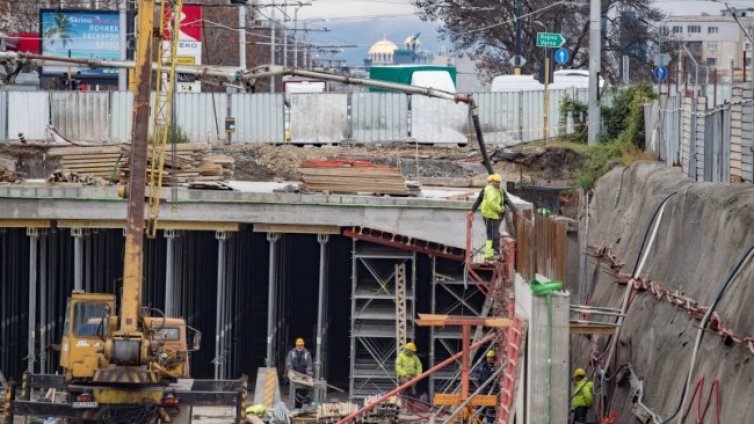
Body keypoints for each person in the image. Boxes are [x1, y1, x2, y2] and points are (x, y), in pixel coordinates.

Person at [471, 174, 510, 260]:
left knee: (490, 235)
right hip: (491, 215)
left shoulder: (492, 189)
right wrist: (500, 209)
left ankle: (489, 253)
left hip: (490, 215)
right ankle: (495, 253)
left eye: (499, 182)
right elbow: (491, 203)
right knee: (494, 235)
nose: (498, 184)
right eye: (496, 182)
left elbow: (479, 199)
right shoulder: (490, 190)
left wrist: (472, 210)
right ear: (492, 181)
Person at [285, 338, 313, 408]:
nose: (300, 347)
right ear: (296, 345)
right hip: (294, 374)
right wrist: (290, 370)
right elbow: (289, 362)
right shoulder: (291, 353)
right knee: (295, 391)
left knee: (303, 389)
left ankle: (300, 403)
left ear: (303, 346)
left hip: (303, 375)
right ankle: (297, 405)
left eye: (301, 345)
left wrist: (309, 372)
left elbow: (309, 364)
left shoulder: (307, 353)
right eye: (298, 345)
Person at [472, 350, 498, 424]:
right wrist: (479, 378)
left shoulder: (495, 366)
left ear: (493, 358)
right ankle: (477, 420)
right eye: (488, 358)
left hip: (491, 389)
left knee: (490, 407)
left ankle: (490, 422)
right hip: (483, 388)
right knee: (481, 405)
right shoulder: (483, 365)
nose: (489, 359)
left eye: (491, 358)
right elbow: (475, 372)